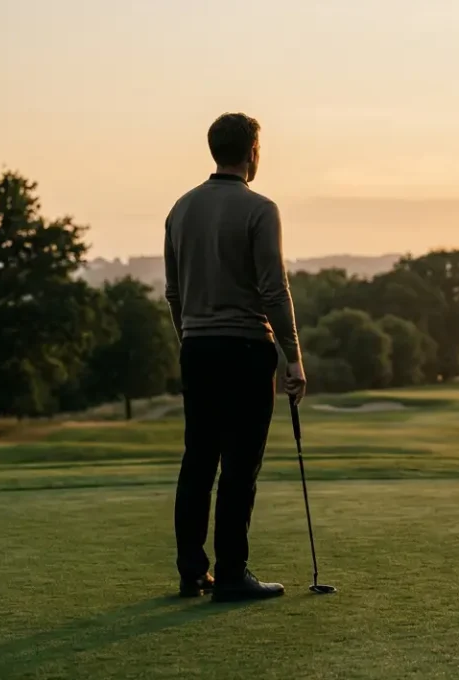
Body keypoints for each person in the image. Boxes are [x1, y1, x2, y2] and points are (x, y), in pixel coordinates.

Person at [164, 112, 306, 602]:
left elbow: (173, 293)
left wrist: (190, 337)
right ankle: (230, 573)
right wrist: (294, 356)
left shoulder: (179, 210)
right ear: (252, 152)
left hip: (198, 349)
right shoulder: (261, 209)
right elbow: (273, 290)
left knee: (198, 460)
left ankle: (190, 572)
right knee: (240, 466)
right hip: (247, 348)